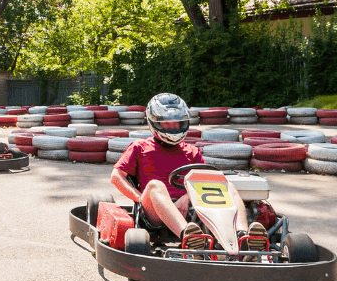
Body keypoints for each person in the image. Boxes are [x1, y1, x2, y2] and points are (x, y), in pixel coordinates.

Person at [110, 93, 265, 255]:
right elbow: (116, 177)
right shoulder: (140, 147)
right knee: (156, 185)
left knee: (227, 185)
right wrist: (140, 197)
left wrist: (187, 198)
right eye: (167, 122)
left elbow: (206, 183)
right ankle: (190, 239)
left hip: (192, 210)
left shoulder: (192, 151)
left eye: (177, 122)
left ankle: (242, 237)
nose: (173, 127)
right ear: (155, 122)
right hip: (153, 213)